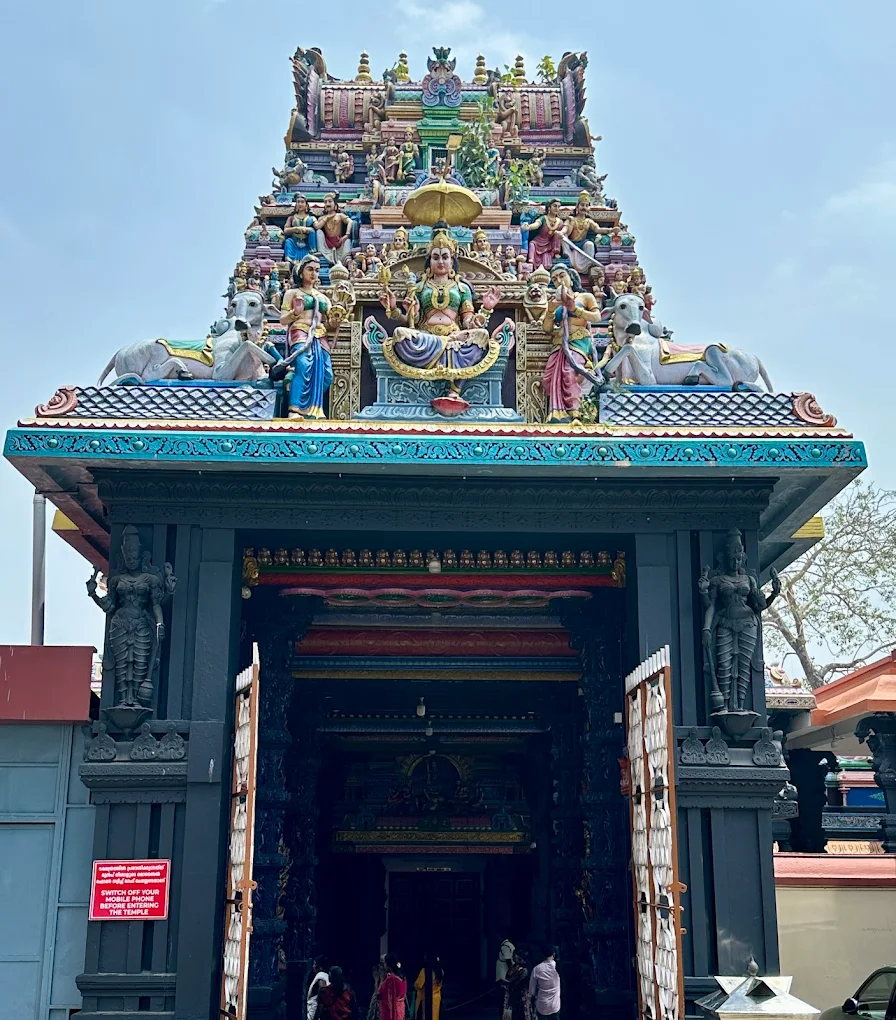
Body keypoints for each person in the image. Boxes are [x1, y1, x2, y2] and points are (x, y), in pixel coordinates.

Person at [276, 255, 344, 419]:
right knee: (303, 365)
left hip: (320, 335)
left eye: (317, 270)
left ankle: (315, 410)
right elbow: (282, 320)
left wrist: (335, 321)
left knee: (326, 374)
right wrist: (295, 313)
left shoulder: (324, 298)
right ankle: (295, 409)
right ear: (300, 272)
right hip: (300, 331)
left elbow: (330, 324)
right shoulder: (292, 293)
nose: (314, 273)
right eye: (310, 269)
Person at [528, 947, 560, 1020]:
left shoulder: (536, 969)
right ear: (554, 954)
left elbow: (531, 992)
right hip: (555, 1006)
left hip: (542, 1007)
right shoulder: (557, 967)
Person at [502, 952, 532, 1020]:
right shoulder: (514, 968)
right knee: (511, 1013)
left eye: (518, 958)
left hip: (521, 996)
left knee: (521, 1014)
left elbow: (512, 980)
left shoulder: (524, 971)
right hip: (512, 995)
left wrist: (506, 982)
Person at [414, 952, 444, 1020]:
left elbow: (418, 985)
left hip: (426, 999)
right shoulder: (440, 971)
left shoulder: (425, 971)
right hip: (437, 998)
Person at [378, 953, 407, 1020]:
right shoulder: (402, 977)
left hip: (390, 1014)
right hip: (400, 1011)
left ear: (388, 965)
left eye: (384, 963)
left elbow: (389, 1001)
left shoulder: (391, 979)